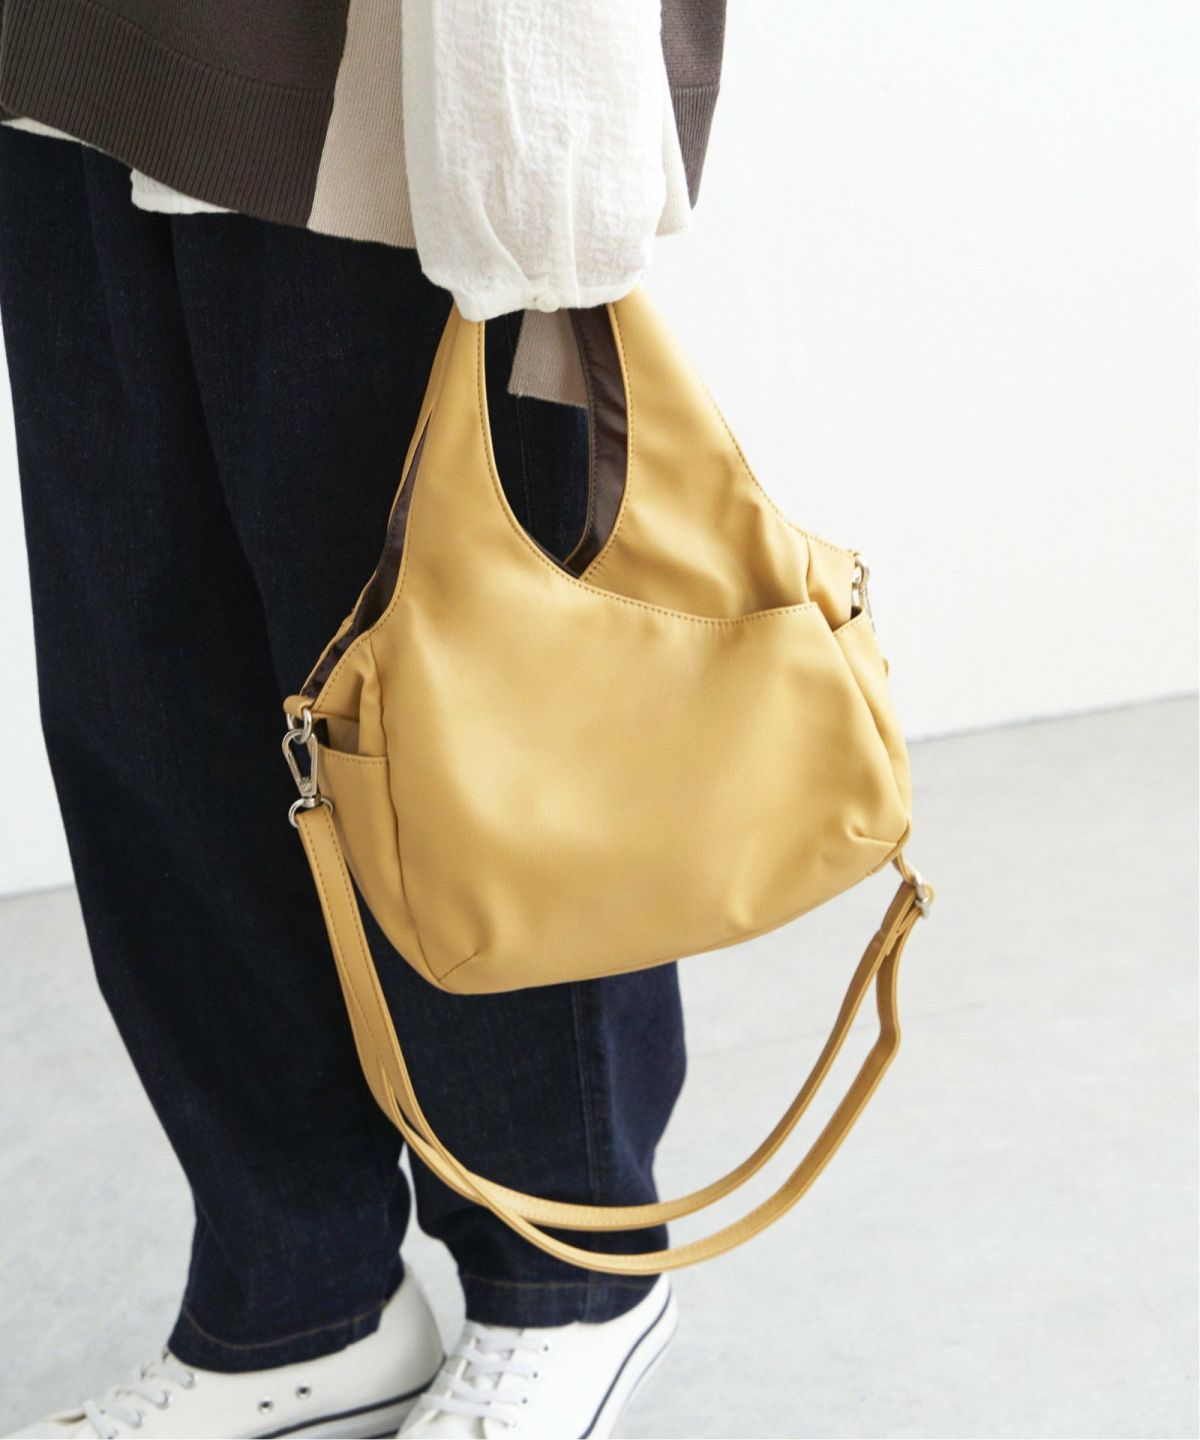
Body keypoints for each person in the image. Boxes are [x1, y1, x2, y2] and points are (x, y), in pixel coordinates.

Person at [0, 3, 726, 1438]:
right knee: (145, 679)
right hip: (64, 50)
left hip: (374, 64)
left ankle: (568, 1277)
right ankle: (299, 1298)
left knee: (459, 712)